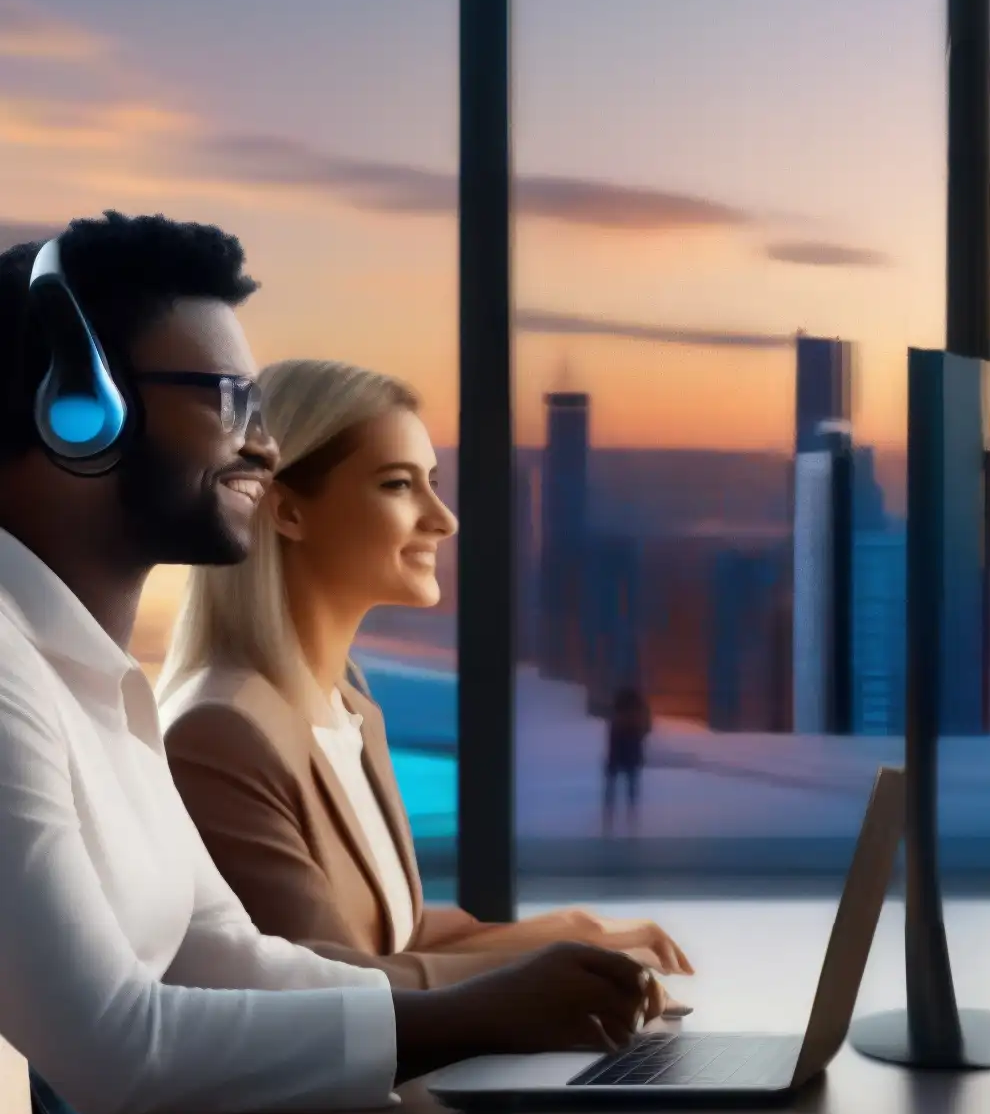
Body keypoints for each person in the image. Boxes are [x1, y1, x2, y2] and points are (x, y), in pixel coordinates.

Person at [0, 213, 659, 1114]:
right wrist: (479, 1012)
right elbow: (115, 1043)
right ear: (78, 408)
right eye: (229, 402)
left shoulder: (97, 682)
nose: (262, 451)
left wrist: (522, 999)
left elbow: (225, 953)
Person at [156, 358, 690, 991]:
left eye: (431, 481)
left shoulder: (349, 709)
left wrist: (573, 933)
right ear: (287, 512)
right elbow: (335, 986)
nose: (443, 519)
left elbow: (396, 935)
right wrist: (543, 967)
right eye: (398, 485)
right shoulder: (220, 732)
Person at [603, 684, 651, 835]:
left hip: (622, 750)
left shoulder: (620, 707)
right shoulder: (636, 707)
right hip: (627, 750)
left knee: (618, 785)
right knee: (629, 785)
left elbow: (613, 730)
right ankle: (628, 816)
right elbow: (646, 727)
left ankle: (613, 816)